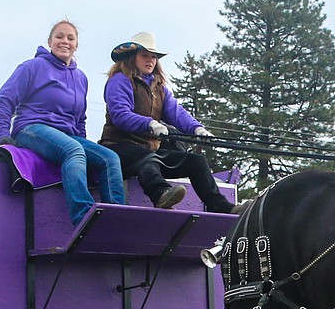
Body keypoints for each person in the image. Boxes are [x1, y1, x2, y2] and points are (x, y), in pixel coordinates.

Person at [0, 20, 125, 225]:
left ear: (76, 45)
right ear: (50, 41)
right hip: (32, 128)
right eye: (59, 37)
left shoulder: (81, 78)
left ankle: (116, 220)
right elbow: (5, 99)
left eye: (70, 38)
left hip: (67, 135)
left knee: (109, 158)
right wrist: (1, 134)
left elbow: (80, 118)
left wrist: (84, 146)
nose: (65, 41)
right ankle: (85, 217)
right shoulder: (32, 67)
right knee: (73, 150)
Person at [101, 31, 235, 213]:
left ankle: (222, 207)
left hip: (149, 151)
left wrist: (197, 129)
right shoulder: (119, 81)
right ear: (132, 58)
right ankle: (161, 195)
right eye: (144, 56)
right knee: (148, 159)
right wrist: (150, 124)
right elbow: (120, 115)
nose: (150, 60)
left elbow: (176, 112)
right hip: (118, 147)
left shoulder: (159, 87)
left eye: (154, 57)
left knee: (196, 162)